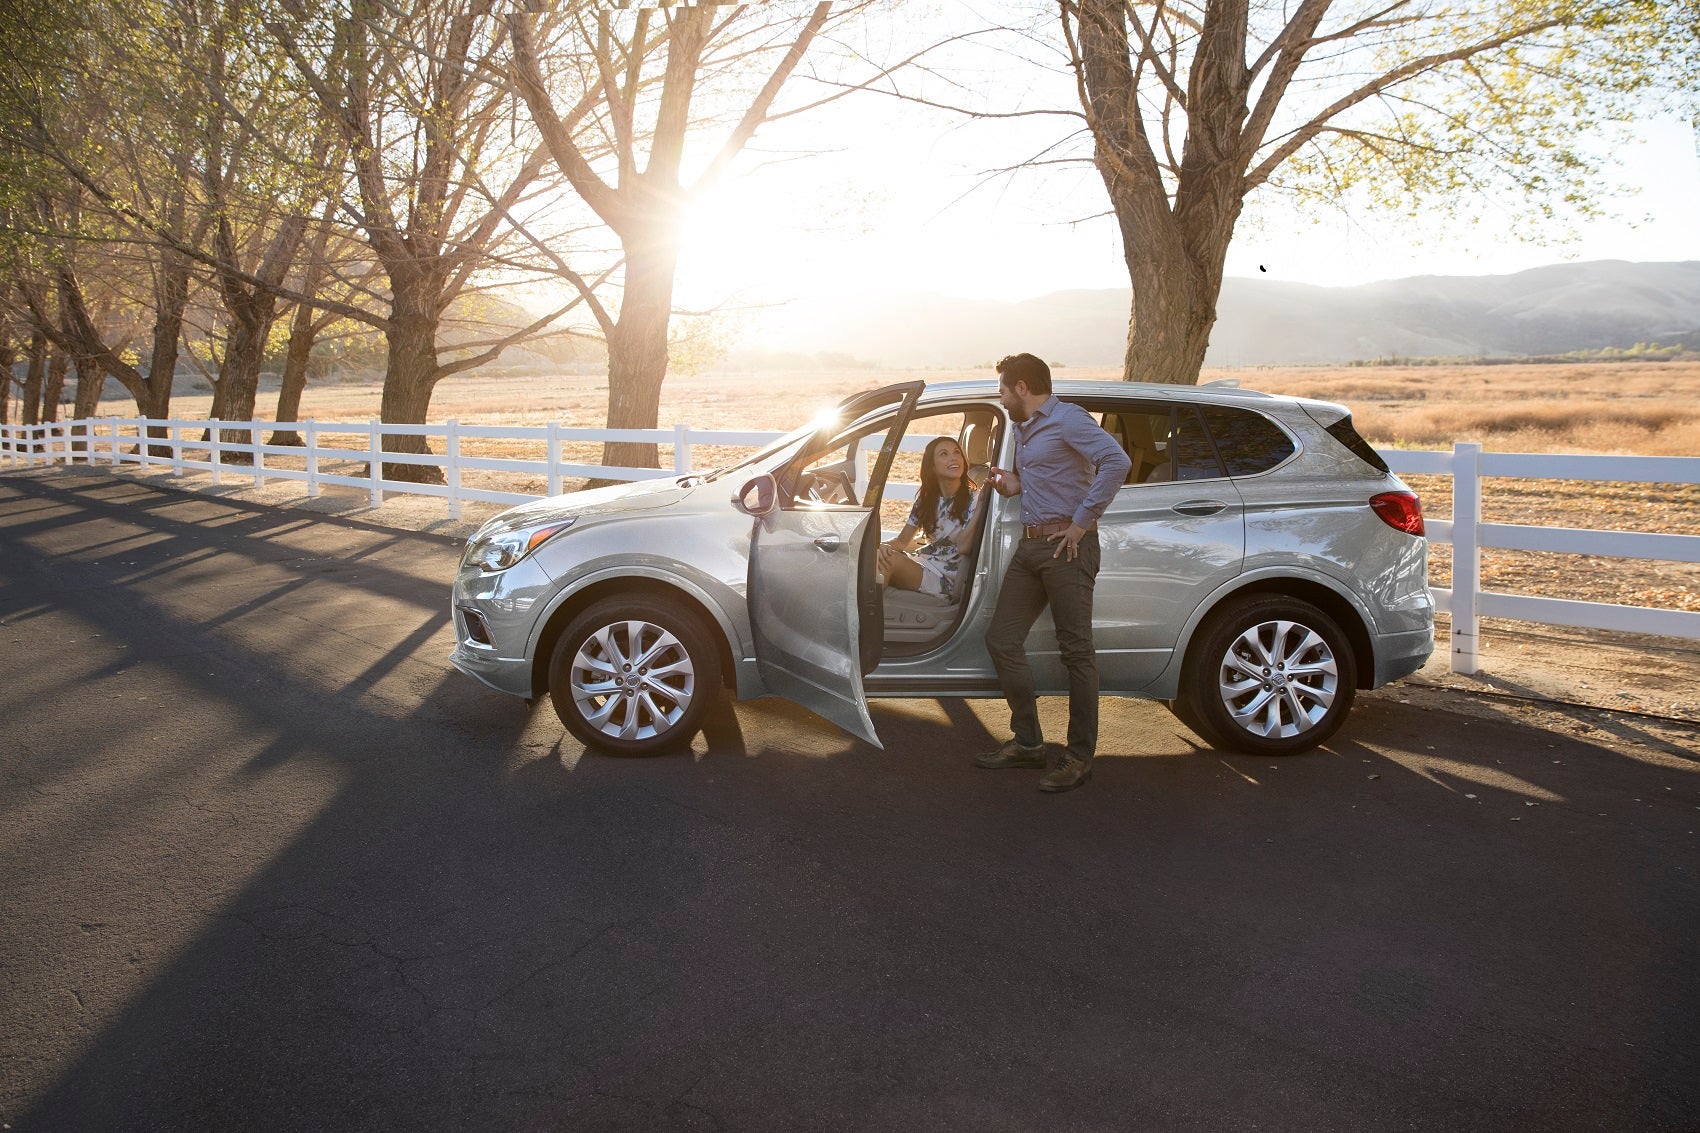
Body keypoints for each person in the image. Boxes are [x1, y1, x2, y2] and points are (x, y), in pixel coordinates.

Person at [976, 353, 1132, 793]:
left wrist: (1081, 522)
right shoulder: (1026, 428)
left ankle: (1080, 757)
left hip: (1068, 548)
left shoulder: (1068, 419)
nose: (1002, 397)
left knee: (1077, 653)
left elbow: (1115, 463)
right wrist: (1014, 483)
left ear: (1023, 387)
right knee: (1002, 639)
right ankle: (1028, 743)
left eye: (1004, 389)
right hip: (1032, 546)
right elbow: (1053, 475)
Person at [877, 436, 987, 602]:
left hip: (947, 577)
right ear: (932, 467)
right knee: (878, 555)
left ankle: (868, 616)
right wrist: (878, 546)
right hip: (925, 564)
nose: (954, 457)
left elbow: (964, 547)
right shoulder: (926, 500)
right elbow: (901, 541)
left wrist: (981, 508)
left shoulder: (975, 500)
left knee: (888, 561)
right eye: (944, 454)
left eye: (957, 452)